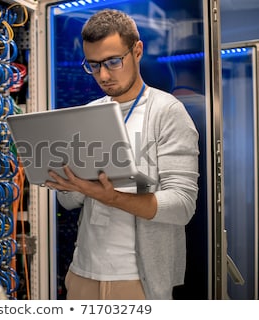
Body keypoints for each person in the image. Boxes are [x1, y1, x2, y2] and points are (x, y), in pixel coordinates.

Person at [45, 9, 199, 300]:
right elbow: (68, 202)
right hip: (82, 275)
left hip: (137, 281)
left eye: (113, 62)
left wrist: (111, 196)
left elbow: (182, 205)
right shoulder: (89, 113)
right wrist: (71, 184)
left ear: (137, 51)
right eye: (93, 65)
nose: (103, 75)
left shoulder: (166, 112)